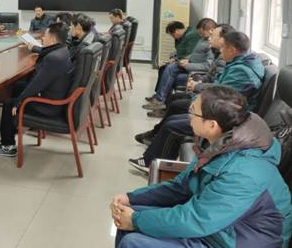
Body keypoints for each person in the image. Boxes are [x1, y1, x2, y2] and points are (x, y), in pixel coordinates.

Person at [113, 86, 292, 248]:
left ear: (212, 125)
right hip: (221, 227)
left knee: (133, 241)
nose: (189, 115)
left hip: (239, 240)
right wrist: (131, 198)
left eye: (193, 111)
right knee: (125, 219)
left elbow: (196, 219)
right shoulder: (218, 143)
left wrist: (135, 221)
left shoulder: (244, 172)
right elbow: (180, 187)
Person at [129, 30, 265, 172]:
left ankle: (152, 165)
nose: (221, 51)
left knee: (172, 126)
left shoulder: (242, 71)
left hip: (227, 121)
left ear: (232, 49)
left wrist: (198, 100)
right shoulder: (240, 64)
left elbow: (223, 97)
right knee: (172, 119)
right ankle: (153, 160)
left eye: (224, 47)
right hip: (222, 113)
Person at [135, 24, 232, 145]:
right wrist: (197, 78)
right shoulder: (216, 52)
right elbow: (210, 75)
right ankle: (156, 128)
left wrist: (196, 83)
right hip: (202, 86)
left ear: (223, 40)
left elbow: (217, 83)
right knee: (168, 73)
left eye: (213, 36)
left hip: (208, 98)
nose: (209, 38)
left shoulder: (223, 58)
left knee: (171, 74)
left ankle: (158, 118)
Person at [0, 22, 73, 156]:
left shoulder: (53, 58)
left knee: (9, 104)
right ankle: (12, 124)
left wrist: (18, 102)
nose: (42, 38)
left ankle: (8, 146)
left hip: (49, 106)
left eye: (45, 36)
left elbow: (36, 85)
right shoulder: (63, 50)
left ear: (52, 39)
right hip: (55, 95)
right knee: (18, 86)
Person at [143, 18, 217, 114]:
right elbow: (194, 54)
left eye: (202, 33)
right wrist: (187, 59)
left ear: (211, 30)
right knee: (168, 68)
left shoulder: (212, 45)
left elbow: (208, 66)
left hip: (195, 71)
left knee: (170, 71)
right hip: (191, 65)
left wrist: (188, 64)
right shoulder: (203, 39)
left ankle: (161, 101)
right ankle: (160, 100)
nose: (200, 35)